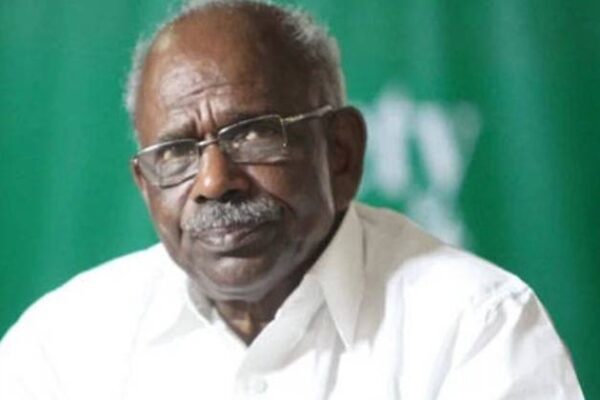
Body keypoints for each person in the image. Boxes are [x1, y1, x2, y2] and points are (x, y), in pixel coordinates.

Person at [0, 1, 584, 399]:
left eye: (253, 134)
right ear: (145, 185)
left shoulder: (475, 328)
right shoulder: (62, 346)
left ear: (341, 152)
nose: (213, 181)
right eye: (177, 151)